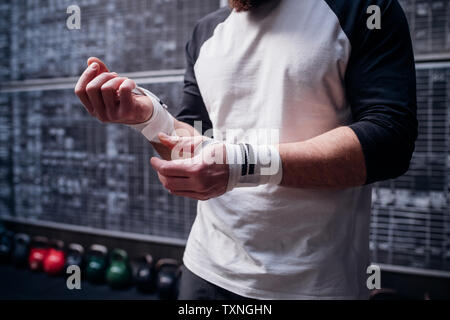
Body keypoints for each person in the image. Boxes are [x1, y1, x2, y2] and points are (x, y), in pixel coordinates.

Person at [75, 0, 417, 299]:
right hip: (206, 269)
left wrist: (241, 164)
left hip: (314, 284)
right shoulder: (205, 33)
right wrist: (148, 118)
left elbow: (389, 141)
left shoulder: (363, 9)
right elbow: (193, 139)